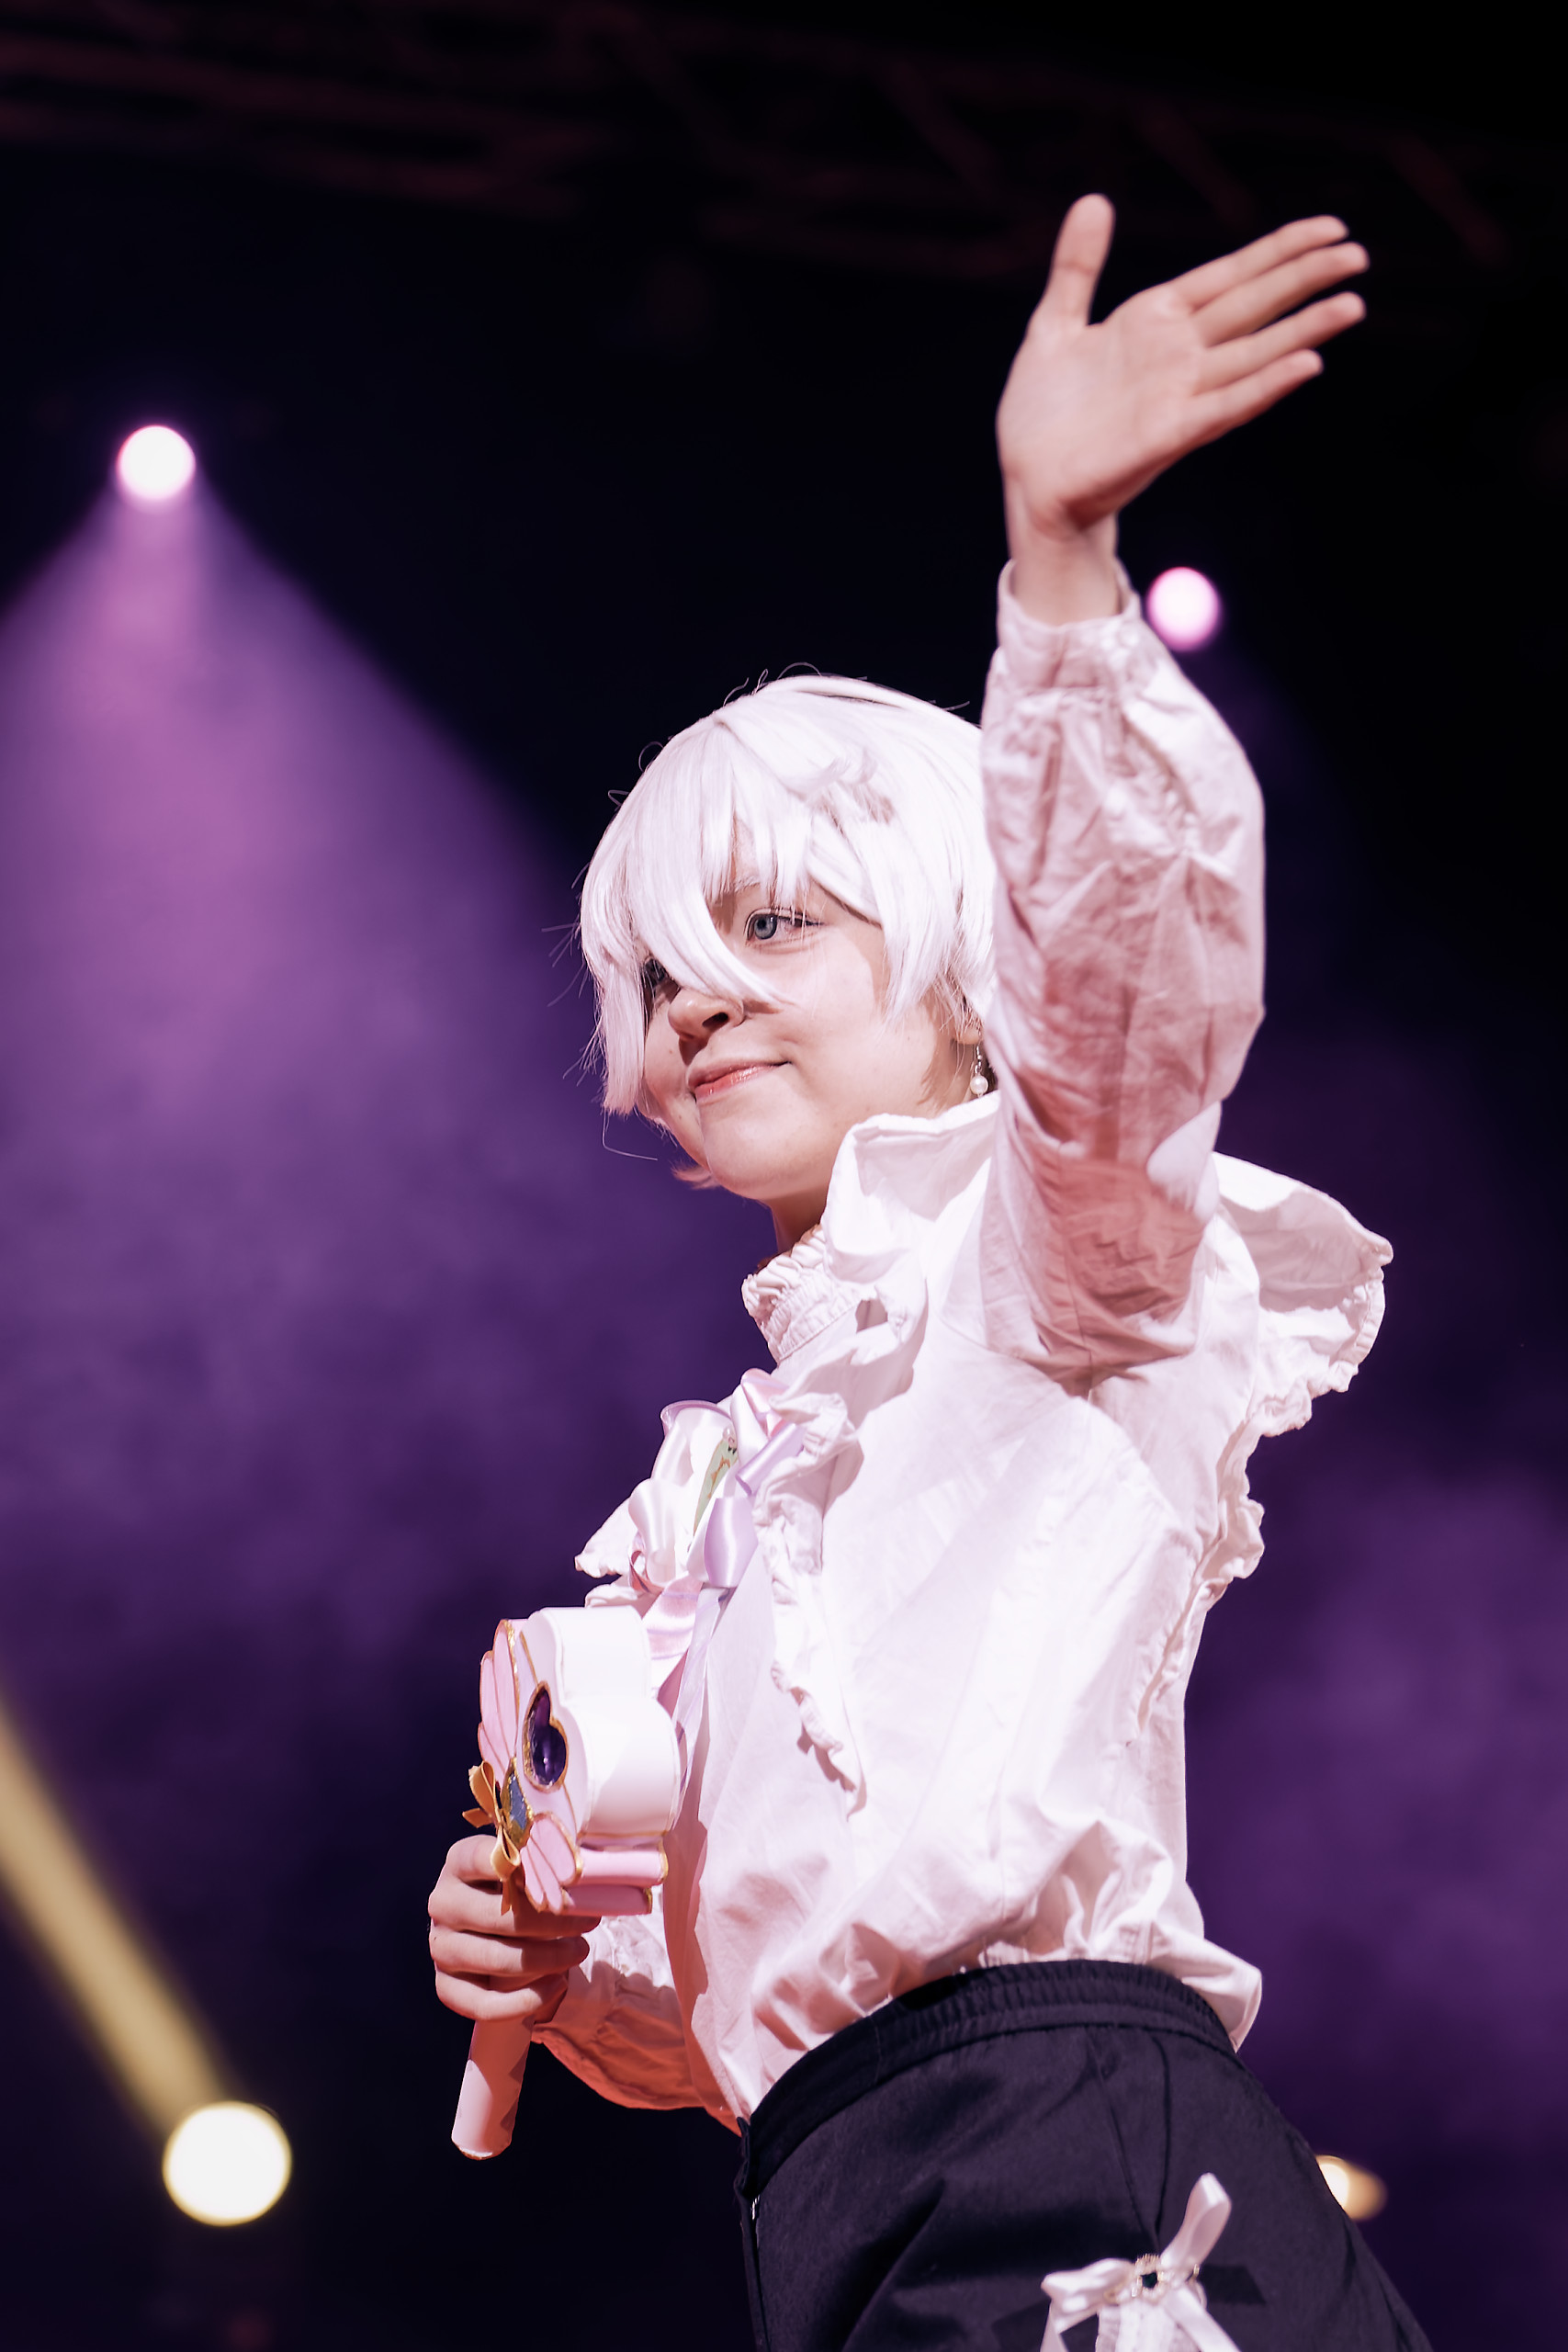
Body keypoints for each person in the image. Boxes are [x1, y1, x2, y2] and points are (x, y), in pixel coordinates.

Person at [427, 196, 1428, 2350]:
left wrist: (1057, 568)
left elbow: (1133, 991)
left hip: (1064, 2146)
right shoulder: (713, 1489)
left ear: (965, 955)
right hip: (842, 2189)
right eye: (657, 974)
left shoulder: (1057, 1254)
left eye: (774, 927)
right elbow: (762, 1997)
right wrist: (561, 1965)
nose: (698, 1003)